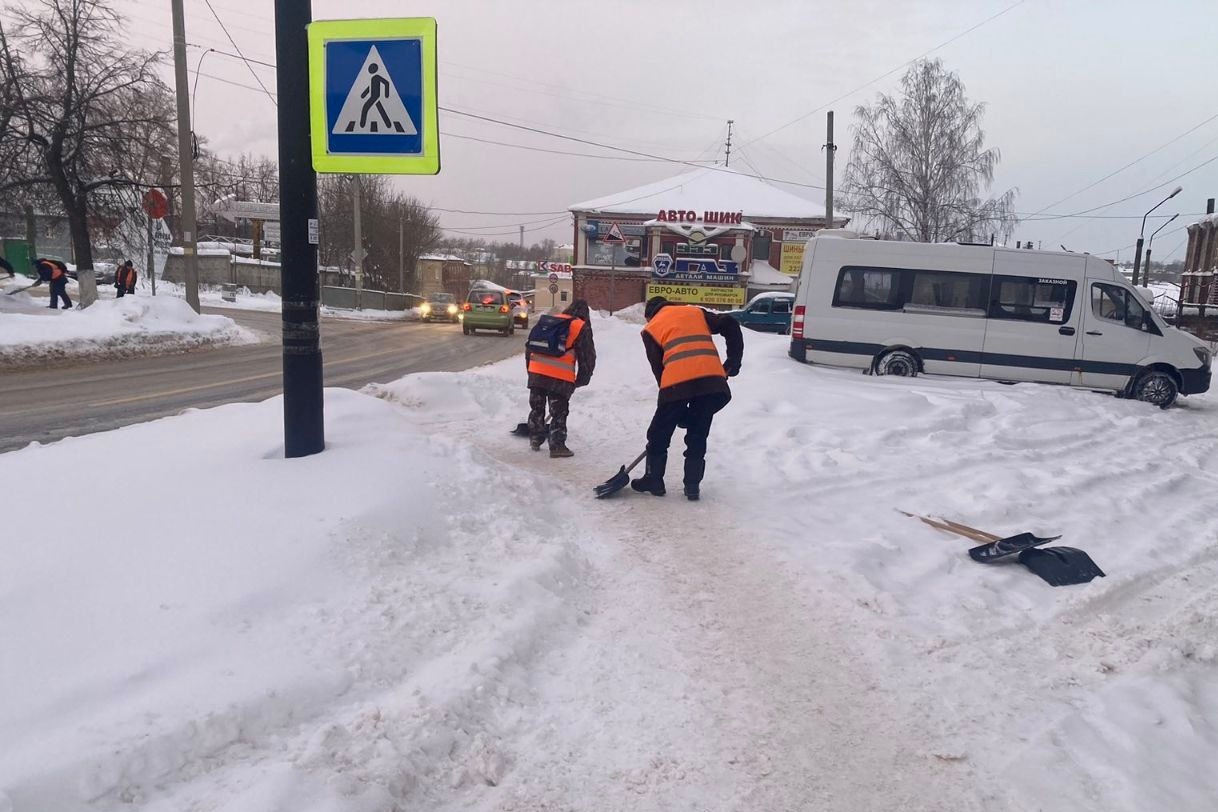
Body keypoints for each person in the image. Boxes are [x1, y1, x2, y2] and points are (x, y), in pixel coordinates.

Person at [632, 296, 743, 501]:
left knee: (658, 432)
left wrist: (672, 406)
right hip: (711, 381)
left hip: (676, 383)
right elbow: (730, 323)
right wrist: (733, 362)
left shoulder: (651, 328)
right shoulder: (695, 312)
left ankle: (654, 479)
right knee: (698, 431)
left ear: (650, 315)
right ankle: (692, 486)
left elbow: (659, 370)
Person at [525, 299, 596, 458]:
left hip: (536, 370)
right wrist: (582, 379)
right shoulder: (579, 326)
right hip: (559, 376)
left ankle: (535, 438)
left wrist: (530, 371)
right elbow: (587, 356)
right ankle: (557, 446)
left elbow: (529, 347)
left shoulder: (551, 321)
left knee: (537, 406)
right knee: (558, 412)